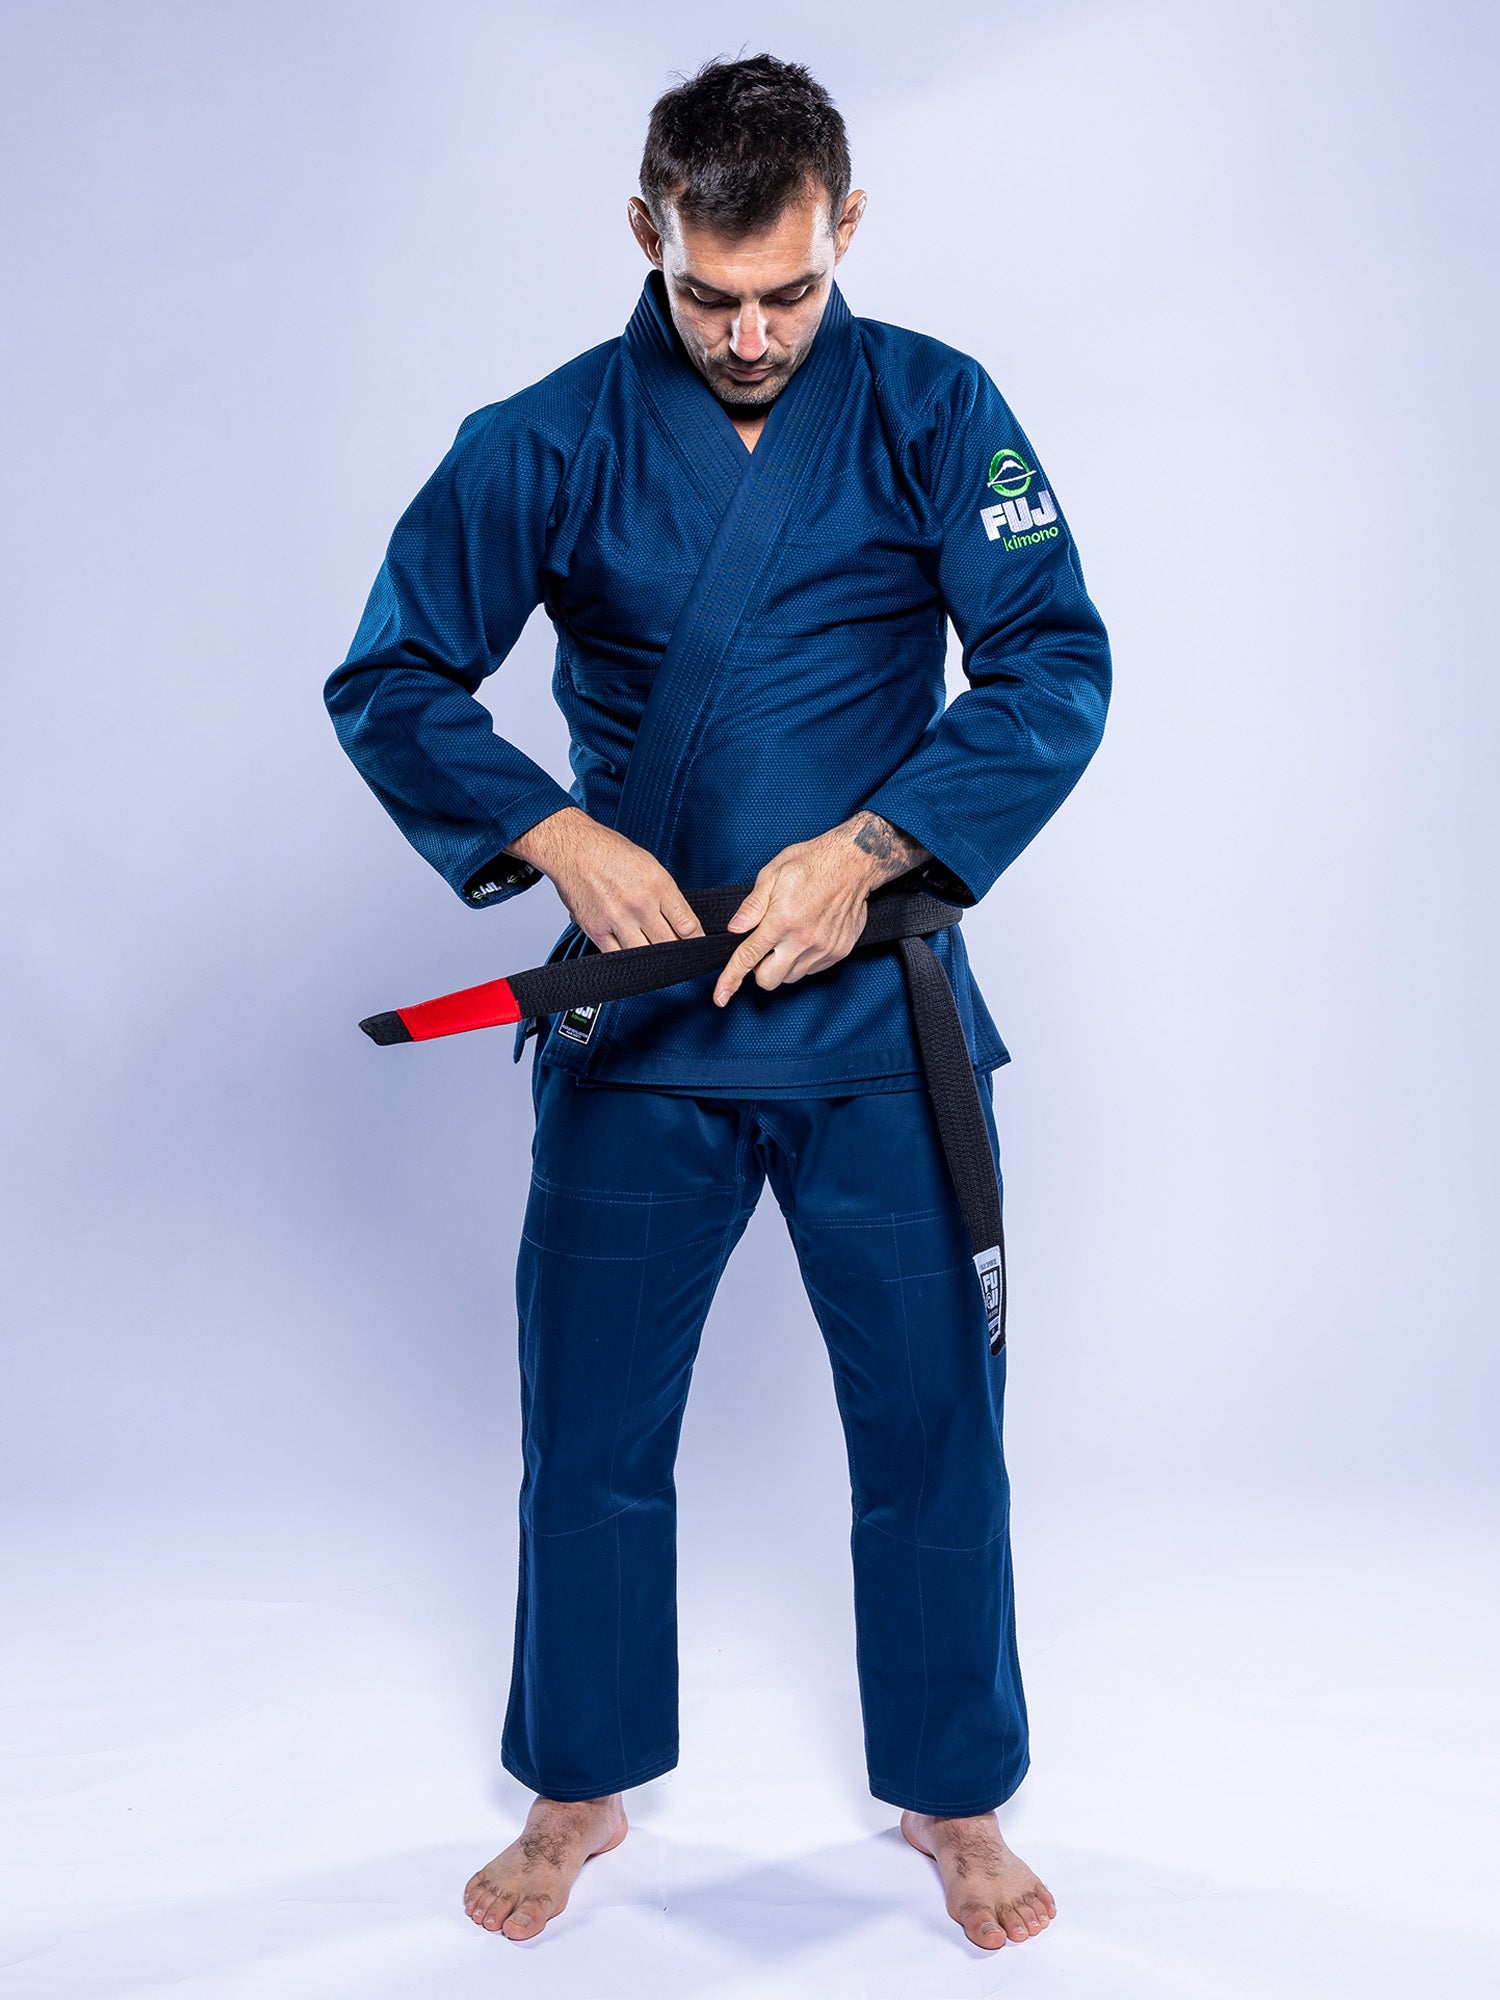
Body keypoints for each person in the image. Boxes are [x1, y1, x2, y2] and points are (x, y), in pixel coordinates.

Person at [325, 54, 1110, 1954]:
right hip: (639, 1033)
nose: (751, 334)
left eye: (787, 291)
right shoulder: (548, 436)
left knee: (932, 1424)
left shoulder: (937, 408)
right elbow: (394, 674)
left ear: (848, 224)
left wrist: (873, 845)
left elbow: (1051, 662)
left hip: (882, 1026)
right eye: (709, 294)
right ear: (644, 236)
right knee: (590, 1424)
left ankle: (955, 1798)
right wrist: (546, 831)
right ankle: (580, 1783)